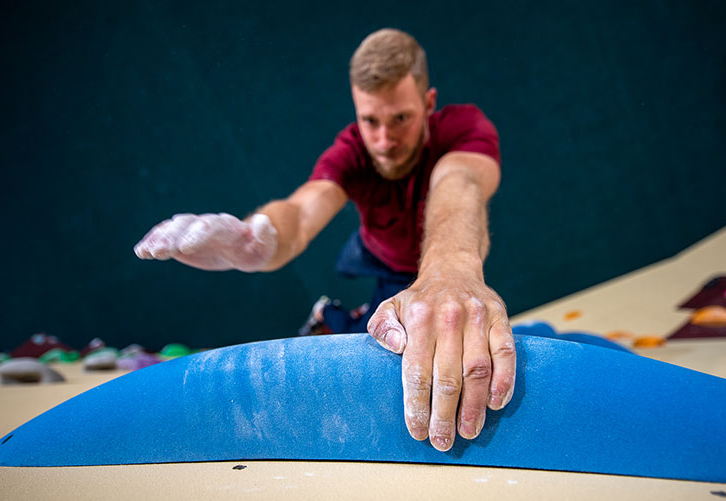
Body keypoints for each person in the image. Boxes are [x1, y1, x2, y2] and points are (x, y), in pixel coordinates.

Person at [134, 28, 516, 452]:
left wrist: (452, 272)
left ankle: (350, 314)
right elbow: (301, 210)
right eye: (370, 121)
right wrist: (256, 237)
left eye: (401, 119)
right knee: (380, 348)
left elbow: (460, 182)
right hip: (384, 260)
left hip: (441, 263)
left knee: (431, 330)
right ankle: (332, 317)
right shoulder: (352, 150)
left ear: (428, 105)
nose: (385, 142)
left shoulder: (465, 127)